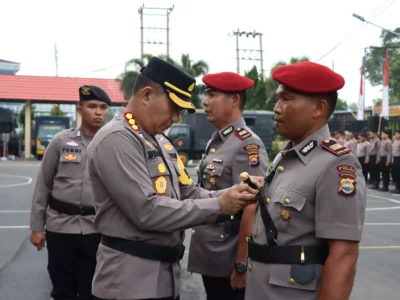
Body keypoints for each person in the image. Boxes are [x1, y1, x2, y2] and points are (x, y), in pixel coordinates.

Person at [86, 57, 257, 300]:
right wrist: (219, 205)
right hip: (128, 282)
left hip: (164, 277)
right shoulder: (117, 139)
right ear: (146, 95)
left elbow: (188, 192)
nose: (176, 118)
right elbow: (147, 210)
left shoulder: (161, 141)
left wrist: (236, 194)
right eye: (174, 107)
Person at [245, 61, 366, 300]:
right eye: (278, 100)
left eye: (286, 100)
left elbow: (344, 255)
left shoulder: (336, 165)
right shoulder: (285, 156)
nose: (276, 108)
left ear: (318, 108)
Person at [187, 72, 268, 300]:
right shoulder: (219, 139)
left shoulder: (247, 144)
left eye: (212, 95)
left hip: (228, 258)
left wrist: (242, 264)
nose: (205, 101)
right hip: (212, 255)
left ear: (234, 100)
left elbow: (251, 206)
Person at [30, 85, 111, 300]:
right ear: (79, 109)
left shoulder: (113, 144)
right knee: (62, 288)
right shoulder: (61, 141)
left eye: (103, 107)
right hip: (60, 227)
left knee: (92, 290)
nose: (98, 112)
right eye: (92, 106)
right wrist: (37, 227)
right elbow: (43, 185)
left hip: (96, 229)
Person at [391, 129, 400, 193]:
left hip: (399, 158)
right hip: (395, 158)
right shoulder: (395, 141)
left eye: (397, 134)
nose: (395, 135)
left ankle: (398, 188)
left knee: (398, 173)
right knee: (395, 173)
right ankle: (397, 187)